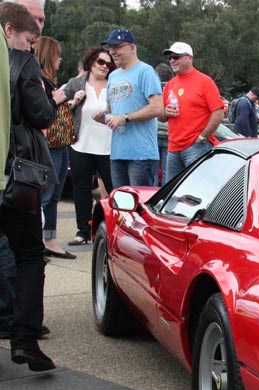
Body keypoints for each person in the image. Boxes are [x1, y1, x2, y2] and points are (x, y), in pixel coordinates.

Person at [0, 2, 55, 370]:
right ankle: (25, 339)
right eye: (28, 38)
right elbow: (41, 115)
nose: (30, 45)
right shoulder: (24, 64)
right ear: (10, 30)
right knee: (31, 255)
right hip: (16, 176)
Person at [95, 28, 162, 189]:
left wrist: (124, 118)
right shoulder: (113, 76)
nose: (113, 52)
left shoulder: (145, 72)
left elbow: (158, 108)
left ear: (132, 48)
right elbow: (111, 111)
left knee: (138, 207)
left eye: (118, 47)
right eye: (110, 48)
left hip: (141, 154)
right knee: (121, 207)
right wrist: (102, 117)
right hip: (117, 152)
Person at [62, 46, 114, 247]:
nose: (104, 66)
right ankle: (82, 231)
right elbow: (58, 107)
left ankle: (113, 230)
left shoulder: (114, 84)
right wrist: (74, 102)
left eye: (108, 64)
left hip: (109, 146)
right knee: (81, 189)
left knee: (114, 189)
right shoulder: (77, 83)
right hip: (81, 144)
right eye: (101, 62)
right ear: (92, 62)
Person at [33, 36, 74, 260]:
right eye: (58, 55)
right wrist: (57, 99)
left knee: (53, 194)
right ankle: (41, 239)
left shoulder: (48, 80)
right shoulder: (38, 80)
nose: (61, 59)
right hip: (49, 144)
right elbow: (40, 112)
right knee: (47, 194)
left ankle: (48, 238)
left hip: (59, 143)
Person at [160, 41, 223, 183]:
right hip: (173, 147)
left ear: (189, 58)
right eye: (170, 57)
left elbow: (218, 113)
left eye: (176, 57)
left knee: (197, 190)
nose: (172, 60)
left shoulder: (204, 81)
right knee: (172, 192)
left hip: (196, 147)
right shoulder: (170, 84)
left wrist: (202, 137)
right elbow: (161, 117)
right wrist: (165, 112)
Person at [154, 62, 172, 185]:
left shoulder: (153, 87)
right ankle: (165, 196)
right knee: (167, 170)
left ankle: (152, 194)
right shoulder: (172, 88)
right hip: (169, 133)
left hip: (154, 133)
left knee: (154, 170)